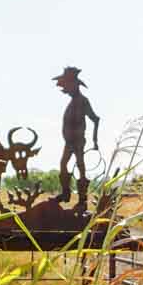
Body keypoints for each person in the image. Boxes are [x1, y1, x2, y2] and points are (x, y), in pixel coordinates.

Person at [53, 66, 100, 205]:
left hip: (78, 140)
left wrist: (94, 140)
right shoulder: (72, 102)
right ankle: (66, 193)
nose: (66, 91)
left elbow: (95, 119)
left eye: (68, 86)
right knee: (63, 164)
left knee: (80, 165)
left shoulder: (83, 101)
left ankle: (82, 198)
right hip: (69, 141)